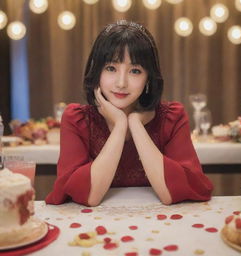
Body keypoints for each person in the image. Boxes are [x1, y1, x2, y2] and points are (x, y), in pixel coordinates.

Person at [45, 20, 213, 207]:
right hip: (94, 228)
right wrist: (120, 125)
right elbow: (89, 196)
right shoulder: (76, 119)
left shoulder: (171, 117)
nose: (121, 83)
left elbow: (171, 194)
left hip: (158, 224)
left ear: (148, 78)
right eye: (111, 68)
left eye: (135, 71)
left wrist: (135, 122)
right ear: (96, 72)